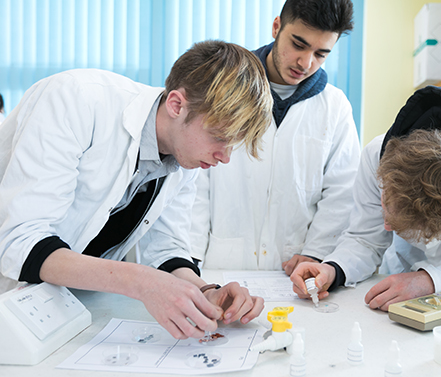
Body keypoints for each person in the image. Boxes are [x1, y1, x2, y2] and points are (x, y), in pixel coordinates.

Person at [0, 40, 273, 339]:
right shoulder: (74, 99)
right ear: (176, 105)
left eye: (233, 143)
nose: (225, 157)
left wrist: (204, 293)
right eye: (220, 136)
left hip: (64, 309)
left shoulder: (183, 158)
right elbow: (20, 242)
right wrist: (142, 282)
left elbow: (165, 250)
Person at [290, 86, 441, 311]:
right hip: (400, 279)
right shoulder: (376, 156)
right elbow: (366, 240)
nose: (386, 226)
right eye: (390, 213)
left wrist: (429, 281)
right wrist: (333, 269)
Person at [190, 0, 360, 274]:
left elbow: (342, 193)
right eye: (299, 44)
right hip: (220, 266)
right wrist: (188, 263)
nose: (306, 63)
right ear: (276, 27)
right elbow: (195, 184)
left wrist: (316, 253)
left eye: (321, 54)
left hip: (294, 272)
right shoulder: (225, 88)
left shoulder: (335, 108)